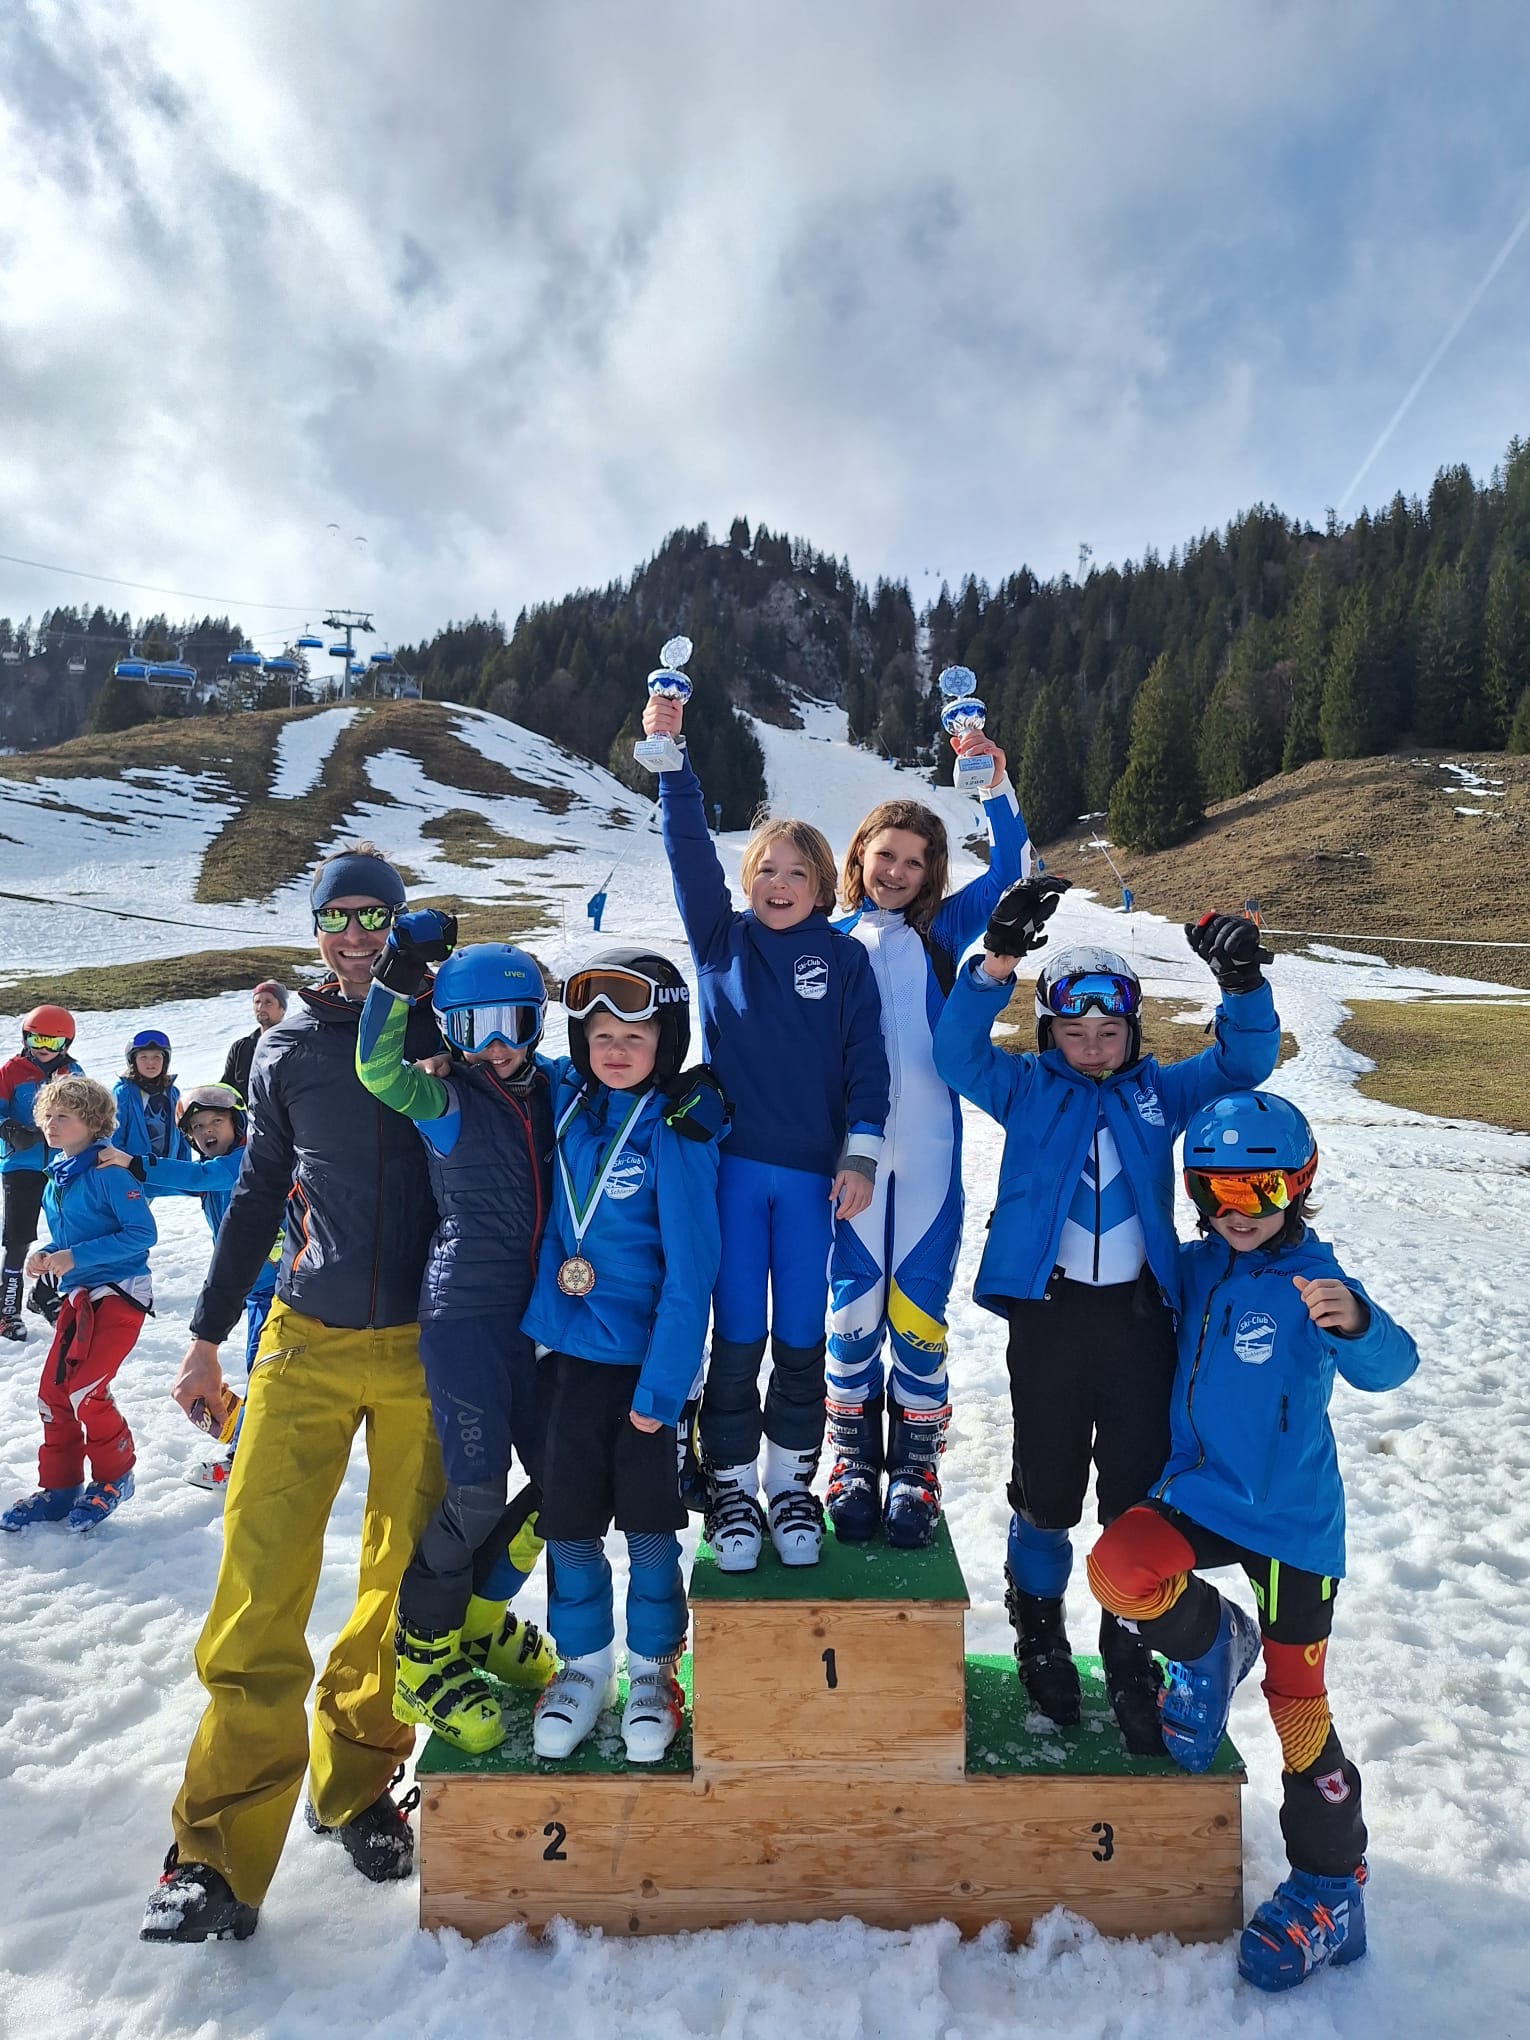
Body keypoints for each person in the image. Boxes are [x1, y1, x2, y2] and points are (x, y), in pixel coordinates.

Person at [140, 843, 446, 1948]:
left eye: (377, 917)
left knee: (401, 1583)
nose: (358, 935)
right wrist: (208, 1338)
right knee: (259, 1584)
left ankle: (358, 1783)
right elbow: (258, 1191)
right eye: (340, 918)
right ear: (316, 929)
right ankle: (214, 1856)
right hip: (303, 1342)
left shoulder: (441, 1027)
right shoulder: (284, 1047)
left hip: (424, 1348)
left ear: (401, 927)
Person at [932, 881, 1281, 1751]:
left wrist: (1242, 986)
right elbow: (953, 1053)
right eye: (1074, 1032)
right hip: (1049, 1322)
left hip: (1137, 1325)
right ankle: (1039, 1630)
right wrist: (998, 959)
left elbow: (1243, 1066)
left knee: (1133, 1493)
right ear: (1049, 1032)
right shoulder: (1024, 1089)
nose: (1093, 1046)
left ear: (1133, 1034)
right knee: (1046, 1492)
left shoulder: (1160, 1093)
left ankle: (1129, 1648)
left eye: (1110, 1032)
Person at [1086, 1092, 1418, 1992]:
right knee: (1118, 1570)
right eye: (1218, 1189)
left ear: (1299, 1186)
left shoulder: (1315, 1278)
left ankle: (1329, 1888)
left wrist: (1355, 1321)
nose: (1239, 1209)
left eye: (1262, 1187)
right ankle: (1213, 1641)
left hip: (1290, 1524)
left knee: (1297, 1708)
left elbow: (1392, 1365)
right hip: (1198, 1493)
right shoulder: (1199, 1268)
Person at [643, 690, 889, 1571]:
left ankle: (792, 1487)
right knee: (737, 1332)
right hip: (735, 1174)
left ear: (825, 886)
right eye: (766, 872)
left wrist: (861, 1152)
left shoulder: (846, 959)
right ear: (747, 881)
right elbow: (684, 856)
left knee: (800, 1339)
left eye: (797, 874)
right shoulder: (721, 941)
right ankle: (734, 1492)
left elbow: (869, 1065)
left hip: (816, 1178)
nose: (779, 886)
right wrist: (674, 767)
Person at [356, 916, 558, 1755]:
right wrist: (399, 977)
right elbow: (375, 1066)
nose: (496, 1047)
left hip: (541, 1320)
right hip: (465, 1317)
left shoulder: (560, 1087)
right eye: (475, 1028)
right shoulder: (443, 1096)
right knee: (476, 1493)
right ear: (450, 1029)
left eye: (514, 1025)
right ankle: (421, 1654)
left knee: (567, 1485)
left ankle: (479, 1623)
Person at [826, 734, 1032, 1546]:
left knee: (917, 1317)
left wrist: (995, 786)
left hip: (932, 1160)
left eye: (916, 860)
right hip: (848, 1159)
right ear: (860, 856)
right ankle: (849, 1461)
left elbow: (1014, 868)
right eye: (886, 855)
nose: (898, 871)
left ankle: (915, 1469)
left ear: (933, 871)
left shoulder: (944, 930)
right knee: (852, 1312)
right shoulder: (827, 934)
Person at [525, 948, 725, 1762]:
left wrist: (665, 1388)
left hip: (642, 1372)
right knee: (568, 1527)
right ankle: (583, 1666)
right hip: (559, 1366)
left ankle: (652, 1668)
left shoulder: (678, 1131)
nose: (614, 1049)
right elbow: (501, 1054)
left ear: (665, 1039)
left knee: (648, 1531)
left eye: (635, 1035)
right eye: (599, 1033)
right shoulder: (564, 1102)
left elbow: (693, 1271)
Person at [98, 1083, 281, 1491]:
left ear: (238, 1123)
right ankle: (251, 1448)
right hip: (253, 1292)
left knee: (266, 1372)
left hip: (282, 1290)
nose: (207, 1131)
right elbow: (166, 1182)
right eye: (197, 1127)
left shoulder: (247, 1162)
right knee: (265, 1374)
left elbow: (198, 1175)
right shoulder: (210, 1172)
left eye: (216, 1121)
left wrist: (135, 1161)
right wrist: (109, 1172)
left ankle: (251, 1458)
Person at [2, 1075, 155, 1533]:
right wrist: (48, 1253)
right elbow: (74, 1238)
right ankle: (60, 1487)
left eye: (62, 1117)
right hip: (79, 1293)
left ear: (91, 1122)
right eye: (46, 1115)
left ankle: (115, 1476)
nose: (50, 1124)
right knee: (53, 1393)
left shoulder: (110, 1172)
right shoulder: (58, 1178)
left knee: (86, 1389)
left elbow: (141, 1234)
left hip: (121, 1290)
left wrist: (75, 1257)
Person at [0, 1003, 82, 1341]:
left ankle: (45, 1295)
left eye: (52, 1043)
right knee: (19, 1239)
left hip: (63, 1165)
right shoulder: (12, 1071)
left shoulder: (72, 1073)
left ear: (66, 1044)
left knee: (72, 1232)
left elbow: (88, 1113)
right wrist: (8, 1128)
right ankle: (7, 1310)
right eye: (36, 1041)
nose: (43, 1050)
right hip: (21, 1165)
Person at [112, 1028, 189, 1162]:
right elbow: (115, 1137)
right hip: (134, 1172)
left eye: (156, 1057)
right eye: (143, 1057)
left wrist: (186, 1171)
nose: (151, 1063)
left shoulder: (173, 1093)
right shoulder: (124, 1094)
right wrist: (123, 1168)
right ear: (133, 1061)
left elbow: (183, 1137)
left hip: (169, 1171)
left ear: (165, 1061)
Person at [219, 981, 289, 1101]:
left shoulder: (293, 1046)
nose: (261, 1007)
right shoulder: (241, 1047)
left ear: (282, 1009)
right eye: (257, 1002)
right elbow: (226, 1087)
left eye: (268, 1002)